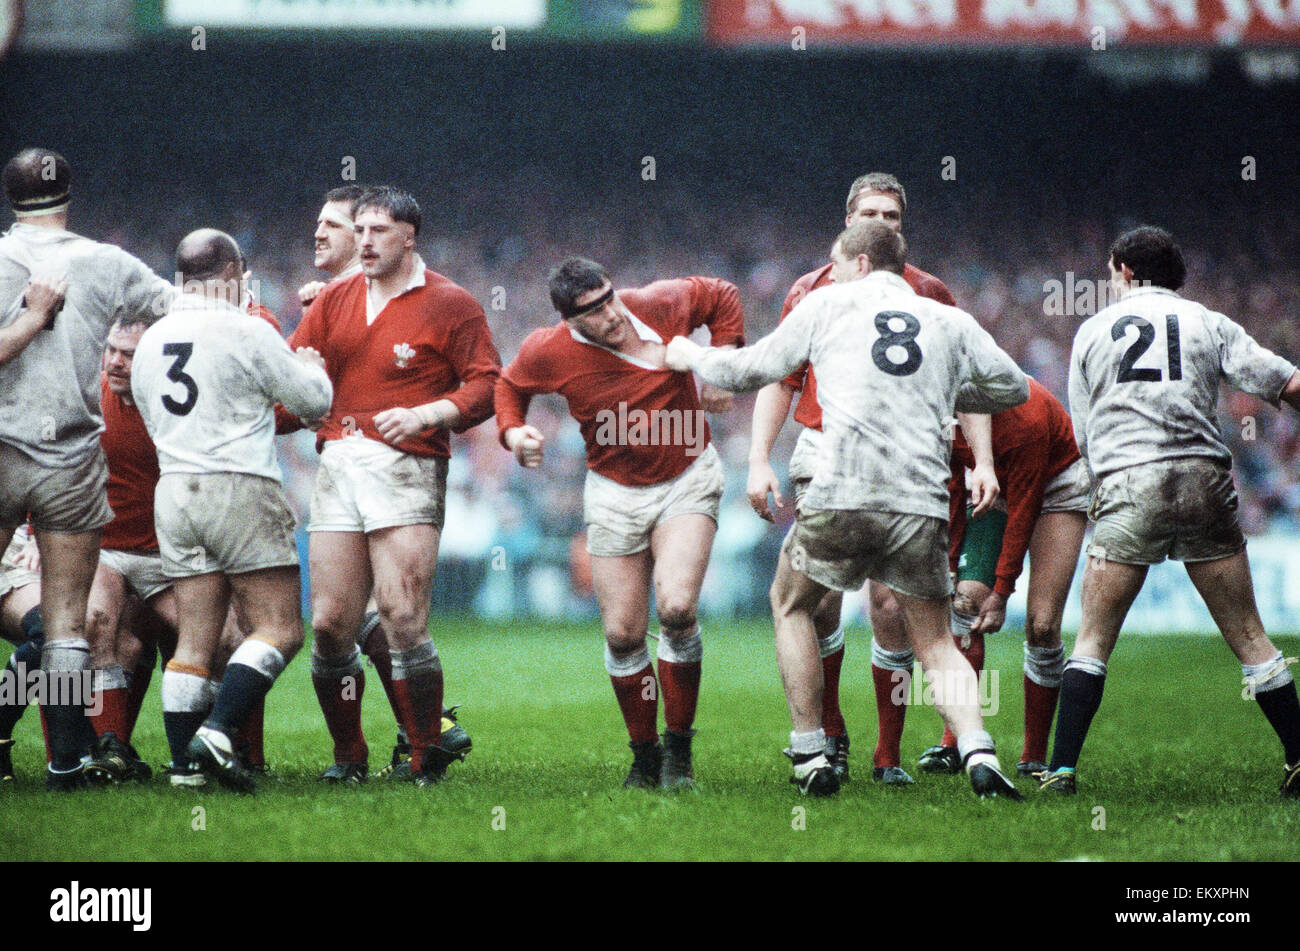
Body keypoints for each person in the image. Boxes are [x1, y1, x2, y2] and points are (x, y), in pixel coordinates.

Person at [666, 221, 1027, 799]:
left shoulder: (827, 303)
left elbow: (749, 371)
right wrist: (944, 393)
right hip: (920, 500)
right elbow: (1013, 389)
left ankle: (811, 752)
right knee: (934, 640)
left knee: (791, 605)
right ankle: (980, 753)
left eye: (835, 262)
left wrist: (687, 353)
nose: (829, 273)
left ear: (860, 262)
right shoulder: (949, 320)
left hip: (842, 490)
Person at [746, 171, 996, 785]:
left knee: (891, 608)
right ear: (849, 220)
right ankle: (831, 736)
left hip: (913, 456)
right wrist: (758, 458)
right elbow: (781, 380)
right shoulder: (812, 290)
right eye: (872, 214)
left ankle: (886, 754)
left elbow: (968, 381)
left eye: (893, 216)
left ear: (903, 227)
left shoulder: (930, 292)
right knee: (822, 603)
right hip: (827, 452)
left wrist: (981, 459)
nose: (882, 224)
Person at [1042, 225, 1300, 797]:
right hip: (1203, 481)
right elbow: (1285, 381)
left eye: (1112, 273)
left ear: (1127, 271)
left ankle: (1060, 771)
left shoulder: (1091, 332)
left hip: (1129, 483)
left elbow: (1085, 437)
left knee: (1093, 638)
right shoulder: (1208, 321)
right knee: (1251, 637)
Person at [495, 257, 743, 790]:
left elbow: (722, 294)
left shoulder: (658, 300)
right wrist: (514, 434)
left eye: (609, 298)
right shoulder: (548, 350)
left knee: (677, 607)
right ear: (568, 319)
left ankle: (679, 751)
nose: (610, 314)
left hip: (687, 476)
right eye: (592, 310)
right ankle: (645, 755)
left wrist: (722, 359)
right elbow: (509, 386)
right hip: (612, 492)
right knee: (623, 633)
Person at [287, 186, 497, 786]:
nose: (368, 240)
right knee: (329, 624)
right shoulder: (333, 300)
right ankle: (348, 755)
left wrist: (429, 414)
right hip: (338, 465)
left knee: (403, 615)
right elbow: (293, 376)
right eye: (363, 229)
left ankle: (425, 753)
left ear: (410, 237)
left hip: (407, 465)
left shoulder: (451, 303)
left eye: (380, 230)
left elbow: (487, 386)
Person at [131, 228, 332, 792]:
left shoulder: (150, 338)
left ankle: (183, 771)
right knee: (281, 628)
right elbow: (312, 402)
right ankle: (218, 731)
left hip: (173, 489)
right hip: (239, 484)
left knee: (194, 641)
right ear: (230, 273)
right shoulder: (245, 328)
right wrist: (313, 364)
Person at [0, 147, 174, 790]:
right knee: (69, 622)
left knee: (59, 622)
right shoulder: (106, 262)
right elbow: (186, 311)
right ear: (69, 193)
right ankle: (65, 762)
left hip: (2, 447)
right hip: (72, 457)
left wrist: (31, 317)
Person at [901, 379, 1088, 778]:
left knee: (1041, 624)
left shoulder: (1026, 418)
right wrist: (951, 565)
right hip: (993, 485)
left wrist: (1002, 592)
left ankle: (1033, 755)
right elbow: (953, 486)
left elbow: (1024, 509)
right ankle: (957, 741)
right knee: (965, 601)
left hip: (1057, 484)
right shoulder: (944, 411)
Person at [0, 526, 46, 781]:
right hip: (14, 550)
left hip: (56, 539)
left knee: (65, 637)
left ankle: (70, 758)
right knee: (51, 632)